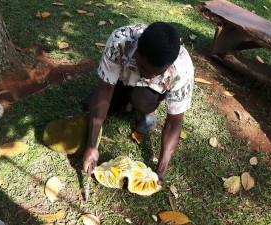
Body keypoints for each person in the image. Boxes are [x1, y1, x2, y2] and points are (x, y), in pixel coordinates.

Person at [83, 22, 194, 185]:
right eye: (143, 67)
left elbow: (174, 122)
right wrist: (92, 146)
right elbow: (105, 91)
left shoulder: (182, 67)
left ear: (169, 66)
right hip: (122, 80)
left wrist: (161, 169)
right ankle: (127, 99)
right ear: (138, 50)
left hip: (150, 92)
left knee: (142, 105)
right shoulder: (120, 40)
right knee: (90, 106)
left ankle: (144, 108)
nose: (147, 75)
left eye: (155, 73)